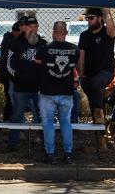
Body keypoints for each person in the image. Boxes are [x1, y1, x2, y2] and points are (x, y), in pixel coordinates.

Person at [35, 21, 79, 164]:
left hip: (48, 91)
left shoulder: (45, 48)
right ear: (66, 33)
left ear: (53, 32)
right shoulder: (74, 49)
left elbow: (37, 61)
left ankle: (51, 154)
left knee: (47, 123)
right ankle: (68, 154)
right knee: (66, 122)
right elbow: (76, 66)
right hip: (67, 91)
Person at [77, 7, 115, 151]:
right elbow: (81, 57)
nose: (89, 21)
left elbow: (112, 30)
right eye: (87, 18)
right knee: (94, 102)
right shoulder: (84, 35)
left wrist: (106, 11)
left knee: (95, 86)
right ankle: (100, 136)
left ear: (100, 18)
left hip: (105, 73)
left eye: (92, 18)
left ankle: (101, 135)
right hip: (88, 76)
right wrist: (81, 76)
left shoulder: (107, 32)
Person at [5, 16, 46, 151]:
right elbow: (10, 64)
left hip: (40, 88)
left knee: (41, 115)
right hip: (21, 88)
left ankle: (43, 141)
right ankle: (13, 143)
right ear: (24, 28)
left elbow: (48, 64)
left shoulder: (43, 44)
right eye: (30, 27)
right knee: (17, 115)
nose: (33, 29)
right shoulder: (15, 43)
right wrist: (17, 77)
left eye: (35, 27)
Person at [0, 18, 24, 121]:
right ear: (17, 31)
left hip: (7, 74)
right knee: (10, 99)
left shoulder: (8, 38)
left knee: (10, 99)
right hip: (9, 75)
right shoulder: (10, 41)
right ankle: (9, 121)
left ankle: (8, 120)